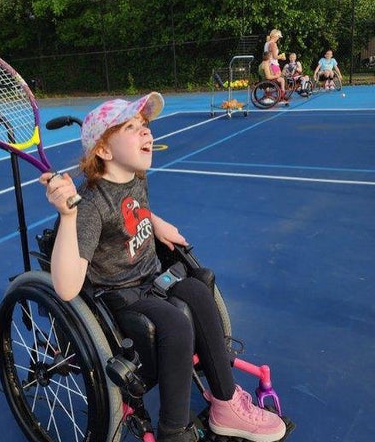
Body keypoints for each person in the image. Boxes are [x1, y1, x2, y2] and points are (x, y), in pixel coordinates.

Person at [40, 93, 287, 442]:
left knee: (200, 291)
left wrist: (155, 222)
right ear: (105, 152)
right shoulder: (90, 206)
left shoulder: (136, 175)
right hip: (120, 294)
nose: (146, 134)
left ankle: (226, 402)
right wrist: (67, 215)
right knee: (175, 324)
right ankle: (173, 431)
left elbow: (129, 211)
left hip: (151, 275)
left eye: (144, 126)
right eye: (132, 127)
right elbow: (65, 288)